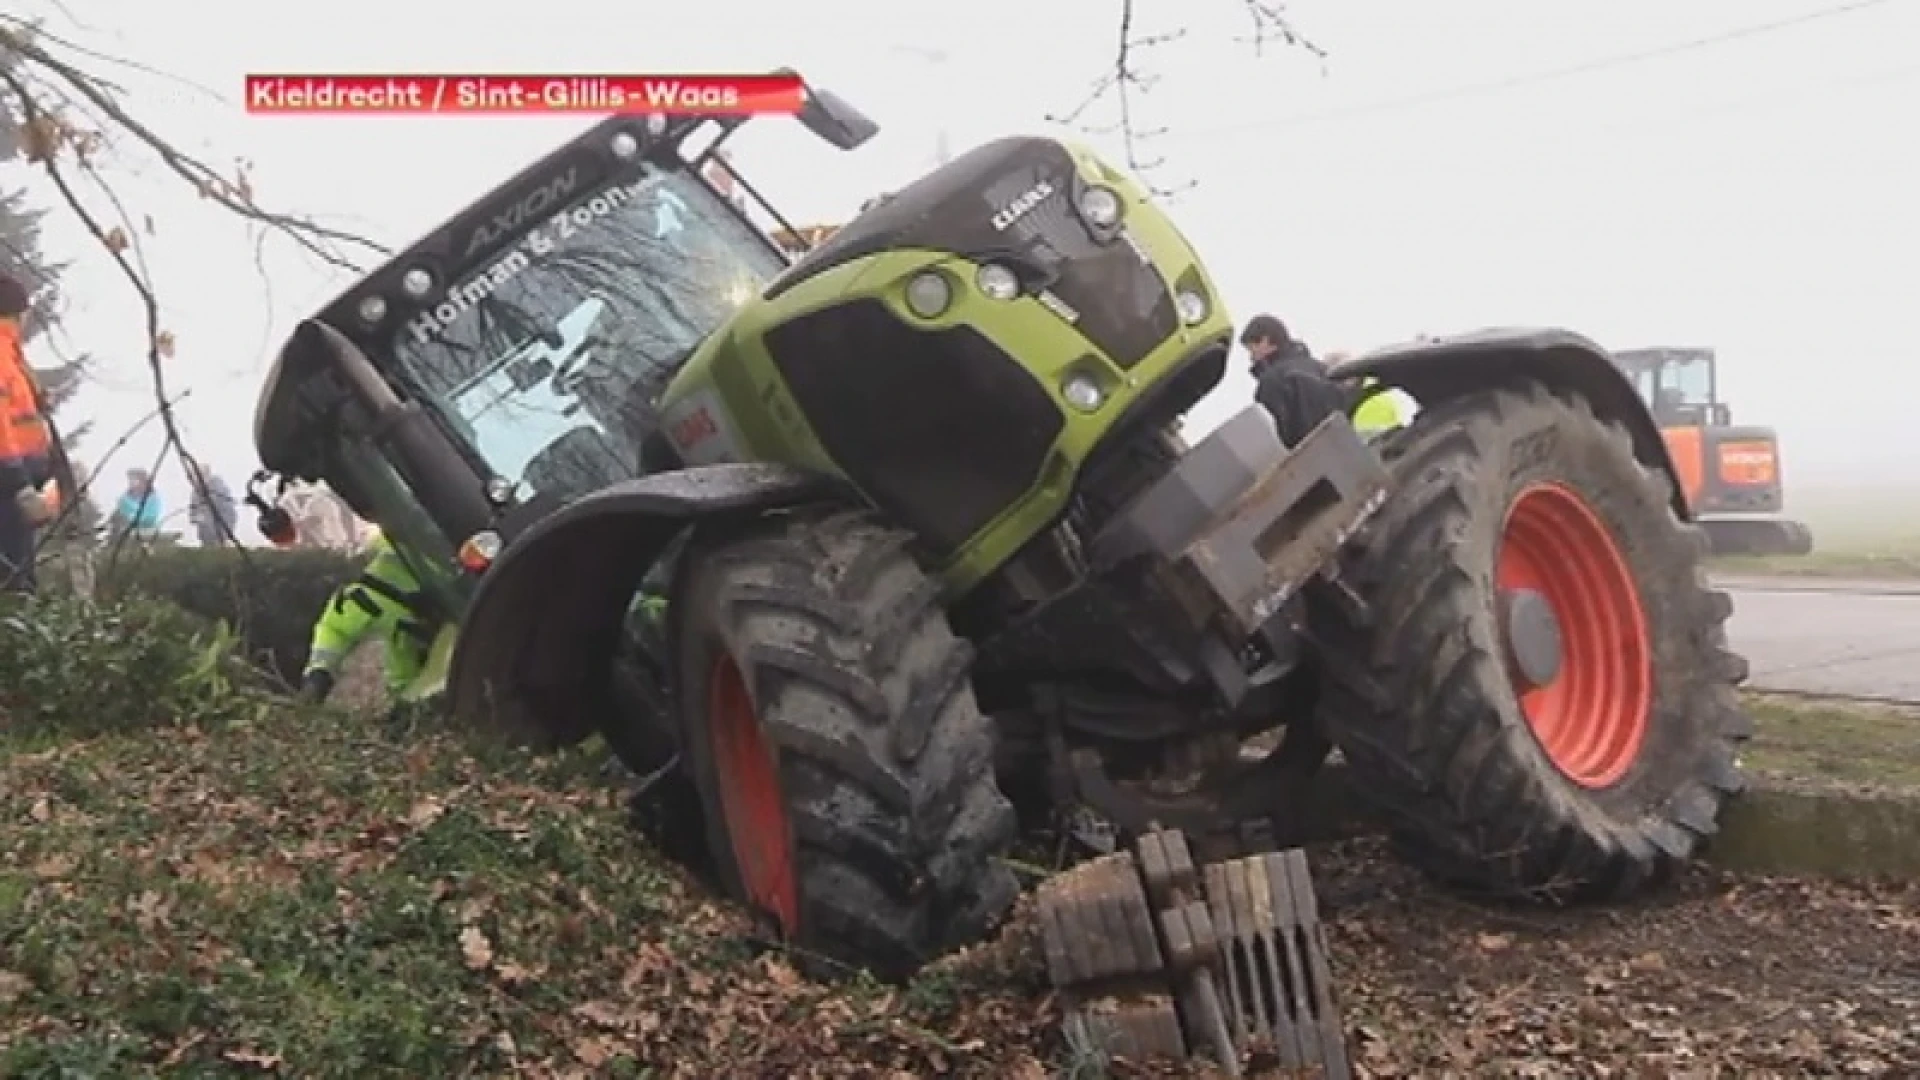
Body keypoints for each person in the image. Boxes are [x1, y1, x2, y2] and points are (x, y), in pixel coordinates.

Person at [299, 531, 443, 705]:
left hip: (359, 604)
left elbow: (368, 548)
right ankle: (402, 712)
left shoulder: (394, 534)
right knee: (402, 684)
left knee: (330, 640)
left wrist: (317, 672)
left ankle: (316, 680)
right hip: (402, 623)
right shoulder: (447, 552)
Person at [0, 272, 56, 593]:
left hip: (18, 477)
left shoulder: (12, 355)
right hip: (8, 483)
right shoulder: (3, 355)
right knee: (14, 575)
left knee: (18, 567)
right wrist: (19, 484)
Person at [1240, 314, 1352, 446]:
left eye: (1252, 350)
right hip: (1341, 451)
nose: (1251, 358)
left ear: (1265, 340)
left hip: (1304, 460)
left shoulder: (1272, 381)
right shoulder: (1322, 369)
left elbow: (1274, 437)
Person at [187, 461, 239, 547]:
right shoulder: (195, 493)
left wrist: (224, 535)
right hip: (205, 537)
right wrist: (196, 518)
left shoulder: (219, 490)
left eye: (195, 475)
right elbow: (192, 514)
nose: (193, 479)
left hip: (220, 536)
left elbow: (229, 514)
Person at [112, 468, 163, 540]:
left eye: (134, 479)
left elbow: (150, 517)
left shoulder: (153, 498)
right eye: (130, 480)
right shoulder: (125, 498)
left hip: (148, 531)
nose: (131, 482)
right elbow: (118, 517)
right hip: (127, 534)